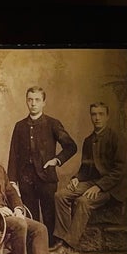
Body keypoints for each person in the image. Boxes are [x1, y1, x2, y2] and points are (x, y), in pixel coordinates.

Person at [7, 87, 76, 240]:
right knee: (30, 218)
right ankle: (33, 252)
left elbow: (71, 147)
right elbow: (13, 155)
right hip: (25, 180)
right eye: (30, 100)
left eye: (37, 100)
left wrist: (56, 160)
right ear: (26, 101)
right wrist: (12, 180)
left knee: (49, 217)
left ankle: (49, 250)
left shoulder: (52, 123)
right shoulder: (20, 126)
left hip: (47, 179)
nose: (33, 103)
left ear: (44, 102)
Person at [55, 101, 123, 250]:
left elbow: (120, 170)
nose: (97, 118)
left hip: (111, 187)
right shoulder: (88, 140)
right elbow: (85, 169)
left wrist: (99, 186)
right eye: (94, 114)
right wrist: (76, 178)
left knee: (83, 201)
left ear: (107, 116)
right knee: (60, 195)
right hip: (92, 182)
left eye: (101, 114)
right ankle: (62, 238)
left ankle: (68, 245)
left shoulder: (115, 138)